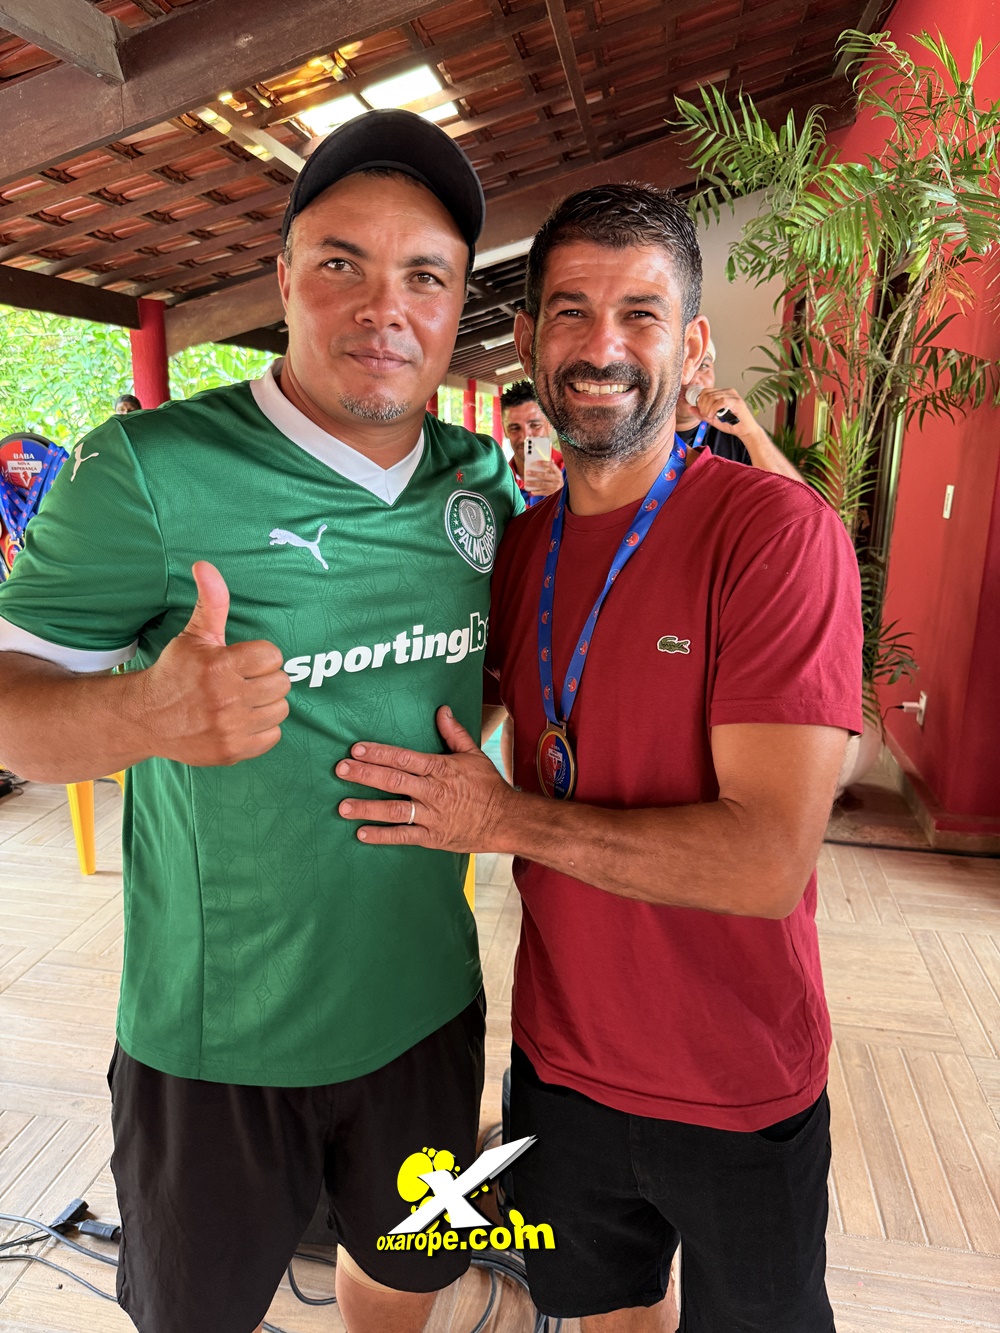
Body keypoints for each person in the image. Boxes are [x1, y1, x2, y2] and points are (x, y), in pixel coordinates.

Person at [0, 109, 521, 1333]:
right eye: (342, 262)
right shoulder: (145, 469)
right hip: (213, 1039)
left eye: (424, 276)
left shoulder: (482, 485)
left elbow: (484, 674)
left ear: (457, 306)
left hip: (423, 1007)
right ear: (281, 277)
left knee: (405, 1277)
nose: (384, 308)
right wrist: (144, 711)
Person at [335, 184, 863, 1332]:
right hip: (561, 1064)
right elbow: (402, 705)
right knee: (606, 1313)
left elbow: (763, 862)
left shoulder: (776, 537)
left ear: (695, 345)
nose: (603, 346)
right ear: (528, 341)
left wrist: (505, 819)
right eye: (571, 311)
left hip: (736, 1083)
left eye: (641, 313)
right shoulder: (516, 549)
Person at [675, 335, 803, 478]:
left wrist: (752, 434)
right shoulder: (652, 434)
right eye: (680, 366)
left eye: (703, 366)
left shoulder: (736, 434)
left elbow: (792, 492)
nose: (692, 378)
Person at [500, 379, 564, 505]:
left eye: (535, 425)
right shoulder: (498, 481)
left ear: (550, 424)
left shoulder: (575, 475)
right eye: (515, 428)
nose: (525, 437)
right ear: (505, 430)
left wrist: (564, 497)